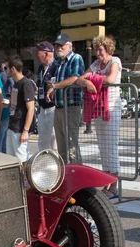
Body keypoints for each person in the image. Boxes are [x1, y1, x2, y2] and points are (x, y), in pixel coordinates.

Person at [78, 35, 123, 199]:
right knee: (102, 147)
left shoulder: (114, 61)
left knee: (111, 146)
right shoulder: (96, 64)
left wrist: (92, 79)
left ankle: (114, 185)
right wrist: (89, 81)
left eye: (101, 49)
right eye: (96, 49)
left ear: (108, 49)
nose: (98, 53)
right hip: (98, 108)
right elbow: (80, 79)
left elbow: (111, 79)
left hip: (111, 108)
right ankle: (107, 182)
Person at [45, 33, 85, 164]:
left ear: (69, 46)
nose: (58, 48)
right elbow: (52, 79)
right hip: (59, 107)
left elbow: (75, 78)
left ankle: (78, 178)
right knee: (61, 147)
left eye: (61, 45)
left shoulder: (76, 58)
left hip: (71, 106)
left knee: (71, 146)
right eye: (57, 46)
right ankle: (66, 176)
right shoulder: (58, 63)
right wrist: (51, 87)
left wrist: (55, 86)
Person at [4, 55, 34, 162]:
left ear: (13, 69)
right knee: (11, 160)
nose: (5, 71)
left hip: (20, 127)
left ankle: (24, 178)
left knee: (21, 160)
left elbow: (31, 108)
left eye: (6, 68)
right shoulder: (16, 84)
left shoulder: (26, 84)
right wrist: (8, 104)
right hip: (12, 125)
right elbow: (16, 104)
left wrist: (25, 131)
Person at [36, 41, 58, 151]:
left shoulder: (56, 67)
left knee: (53, 139)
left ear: (46, 53)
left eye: (38, 53)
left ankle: (55, 164)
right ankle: (43, 161)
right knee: (42, 139)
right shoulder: (41, 68)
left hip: (52, 107)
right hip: (43, 107)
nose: (36, 55)